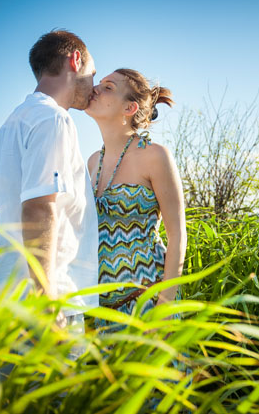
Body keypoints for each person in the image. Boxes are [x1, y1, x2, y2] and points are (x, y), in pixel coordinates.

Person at [0, 30, 99, 335]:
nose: (94, 86)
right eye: (93, 72)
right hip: (45, 299)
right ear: (75, 60)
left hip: (4, 295)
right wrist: (46, 297)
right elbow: (39, 208)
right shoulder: (53, 120)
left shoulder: (7, 129)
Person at [84, 68, 186, 329]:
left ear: (130, 108)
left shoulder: (155, 155)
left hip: (147, 301)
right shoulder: (93, 161)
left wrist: (165, 304)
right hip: (104, 311)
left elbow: (177, 234)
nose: (95, 88)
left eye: (108, 87)